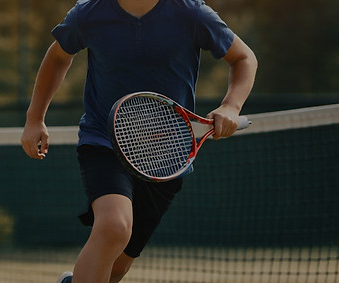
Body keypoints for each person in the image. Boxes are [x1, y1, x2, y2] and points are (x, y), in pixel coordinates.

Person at [19, 0, 257, 282]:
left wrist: (231, 106)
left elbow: (244, 58)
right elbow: (58, 56)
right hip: (104, 142)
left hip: (167, 158)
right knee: (114, 228)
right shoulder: (88, 13)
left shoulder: (192, 13)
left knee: (116, 268)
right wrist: (34, 118)